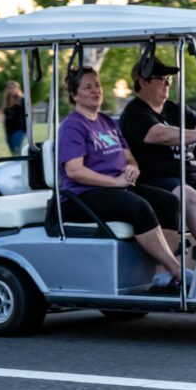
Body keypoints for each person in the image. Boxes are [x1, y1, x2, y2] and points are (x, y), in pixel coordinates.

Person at [57, 66, 187, 288]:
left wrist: (132, 169)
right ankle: (177, 270)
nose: (95, 90)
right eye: (87, 87)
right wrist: (116, 182)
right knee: (140, 207)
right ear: (74, 95)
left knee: (169, 202)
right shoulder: (72, 126)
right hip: (82, 195)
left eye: (97, 85)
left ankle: (161, 275)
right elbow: (75, 171)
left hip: (116, 187)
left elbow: (129, 157)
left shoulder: (107, 122)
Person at [119, 57, 196, 244]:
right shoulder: (134, 114)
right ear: (143, 81)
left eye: (169, 79)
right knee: (191, 198)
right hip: (156, 181)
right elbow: (161, 134)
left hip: (190, 176)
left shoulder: (173, 109)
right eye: (161, 79)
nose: (167, 83)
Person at [2, 81, 27, 156]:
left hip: (19, 129)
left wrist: (26, 129)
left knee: (17, 151)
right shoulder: (7, 100)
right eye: (10, 88)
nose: (12, 89)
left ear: (18, 88)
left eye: (14, 87)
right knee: (13, 152)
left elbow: (27, 115)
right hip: (9, 130)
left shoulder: (22, 100)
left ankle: (20, 166)